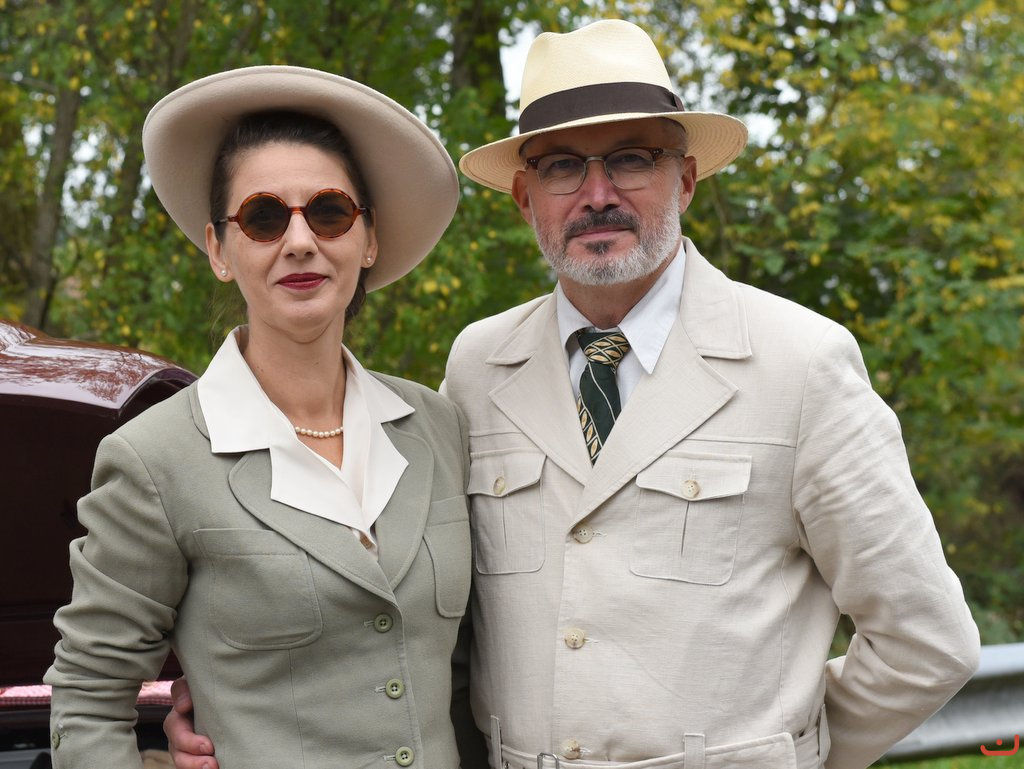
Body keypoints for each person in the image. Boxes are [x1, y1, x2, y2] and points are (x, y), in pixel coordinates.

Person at [166, 20, 981, 769]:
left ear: (686, 179)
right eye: (561, 166)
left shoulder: (800, 365)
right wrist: (233, 701)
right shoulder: (479, 366)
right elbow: (417, 609)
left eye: (631, 158)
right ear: (525, 197)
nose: (597, 195)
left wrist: (786, 748)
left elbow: (928, 641)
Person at [44, 65, 477, 769]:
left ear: (368, 239)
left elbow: (464, 677)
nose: (300, 240)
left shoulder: (438, 426)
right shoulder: (154, 459)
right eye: (264, 217)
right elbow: (89, 702)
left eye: (329, 212)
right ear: (220, 249)